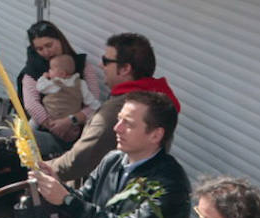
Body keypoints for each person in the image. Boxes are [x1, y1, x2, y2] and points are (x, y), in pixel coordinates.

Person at [35, 91, 191, 218]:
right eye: (119, 120)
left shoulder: (170, 184)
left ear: (155, 135)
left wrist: (66, 200)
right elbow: (85, 199)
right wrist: (58, 187)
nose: (117, 128)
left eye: (128, 124)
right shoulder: (113, 160)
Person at [49, 32, 179, 183]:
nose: (101, 65)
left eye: (106, 61)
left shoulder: (116, 111)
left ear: (125, 69)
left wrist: (42, 169)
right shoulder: (159, 100)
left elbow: (78, 161)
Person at [19, 20, 105, 153]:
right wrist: (54, 126)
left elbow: (94, 101)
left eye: (49, 45)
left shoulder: (82, 65)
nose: (46, 52)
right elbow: (31, 104)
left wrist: (71, 121)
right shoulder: (32, 70)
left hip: (79, 131)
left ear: (60, 40)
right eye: (40, 49)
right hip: (46, 130)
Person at [33, 53, 100, 149]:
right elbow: (90, 100)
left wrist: (43, 77)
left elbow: (40, 87)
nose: (49, 71)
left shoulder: (54, 84)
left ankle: (28, 133)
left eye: (51, 69)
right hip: (71, 124)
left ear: (62, 74)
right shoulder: (80, 83)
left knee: (35, 119)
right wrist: (96, 105)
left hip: (52, 117)